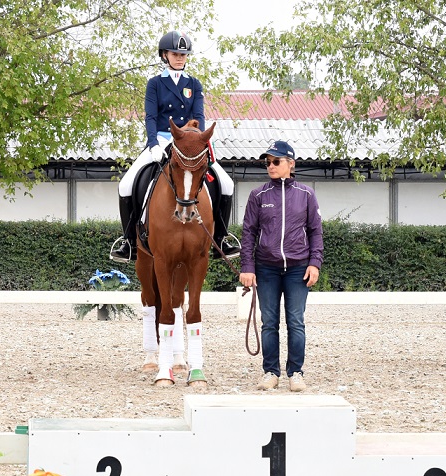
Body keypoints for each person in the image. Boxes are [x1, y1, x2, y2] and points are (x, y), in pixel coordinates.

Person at [110, 30, 240, 263]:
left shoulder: (194, 84)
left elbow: (198, 117)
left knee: (227, 183)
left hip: (189, 143)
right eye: (175, 54)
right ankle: (128, 242)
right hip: (162, 139)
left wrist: (198, 141)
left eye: (183, 54)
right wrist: (153, 144)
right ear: (165, 55)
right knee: (126, 184)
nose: (179, 58)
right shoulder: (155, 84)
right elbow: (151, 117)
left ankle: (221, 238)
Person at [239, 141, 324, 392]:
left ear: (291, 164)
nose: (271, 166)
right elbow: (248, 233)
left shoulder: (306, 195)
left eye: (276, 161)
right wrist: (247, 266)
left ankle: (295, 372)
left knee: (296, 322)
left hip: (298, 268)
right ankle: (270, 372)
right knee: (269, 322)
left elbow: (316, 231)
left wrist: (315, 263)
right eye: (268, 162)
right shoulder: (258, 195)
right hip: (266, 268)